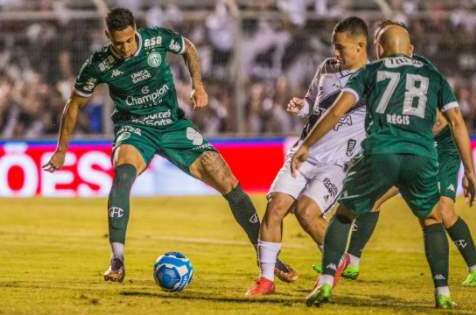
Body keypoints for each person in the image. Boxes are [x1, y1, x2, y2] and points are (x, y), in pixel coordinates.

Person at [42, 7, 293, 283]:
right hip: (134, 128)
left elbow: (189, 48)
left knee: (228, 181)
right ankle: (117, 259)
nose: (125, 48)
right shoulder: (98, 64)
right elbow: (74, 104)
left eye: (128, 40)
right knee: (123, 174)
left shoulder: (156, 40)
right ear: (107, 36)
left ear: (135, 30)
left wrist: (198, 85)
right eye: (118, 43)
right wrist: (61, 150)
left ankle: (267, 257)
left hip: (173, 125)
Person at [291, 23, 476, 308]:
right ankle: (443, 293)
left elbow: (336, 111)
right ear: (409, 49)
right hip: (421, 156)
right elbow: (457, 123)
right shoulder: (432, 75)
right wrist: (471, 171)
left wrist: (305, 145)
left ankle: (327, 282)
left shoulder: (370, 71)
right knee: (431, 220)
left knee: (343, 215)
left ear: (380, 48)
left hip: (381, 154)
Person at [338, 22, 476, 287]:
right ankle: (352, 261)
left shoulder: (422, 70)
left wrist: (469, 172)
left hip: (440, 148)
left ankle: (474, 264)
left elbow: (443, 122)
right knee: (375, 198)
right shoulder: (383, 72)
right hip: (412, 148)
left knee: (444, 212)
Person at [245, 16, 369, 297]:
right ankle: (265, 279)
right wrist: (303, 106)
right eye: (334, 46)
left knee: (306, 212)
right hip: (304, 154)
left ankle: (335, 262)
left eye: (342, 47)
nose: (336, 53)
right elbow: (314, 103)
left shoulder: (372, 80)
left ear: (361, 45)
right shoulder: (327, 67)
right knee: (275, 207)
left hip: (336, 164)